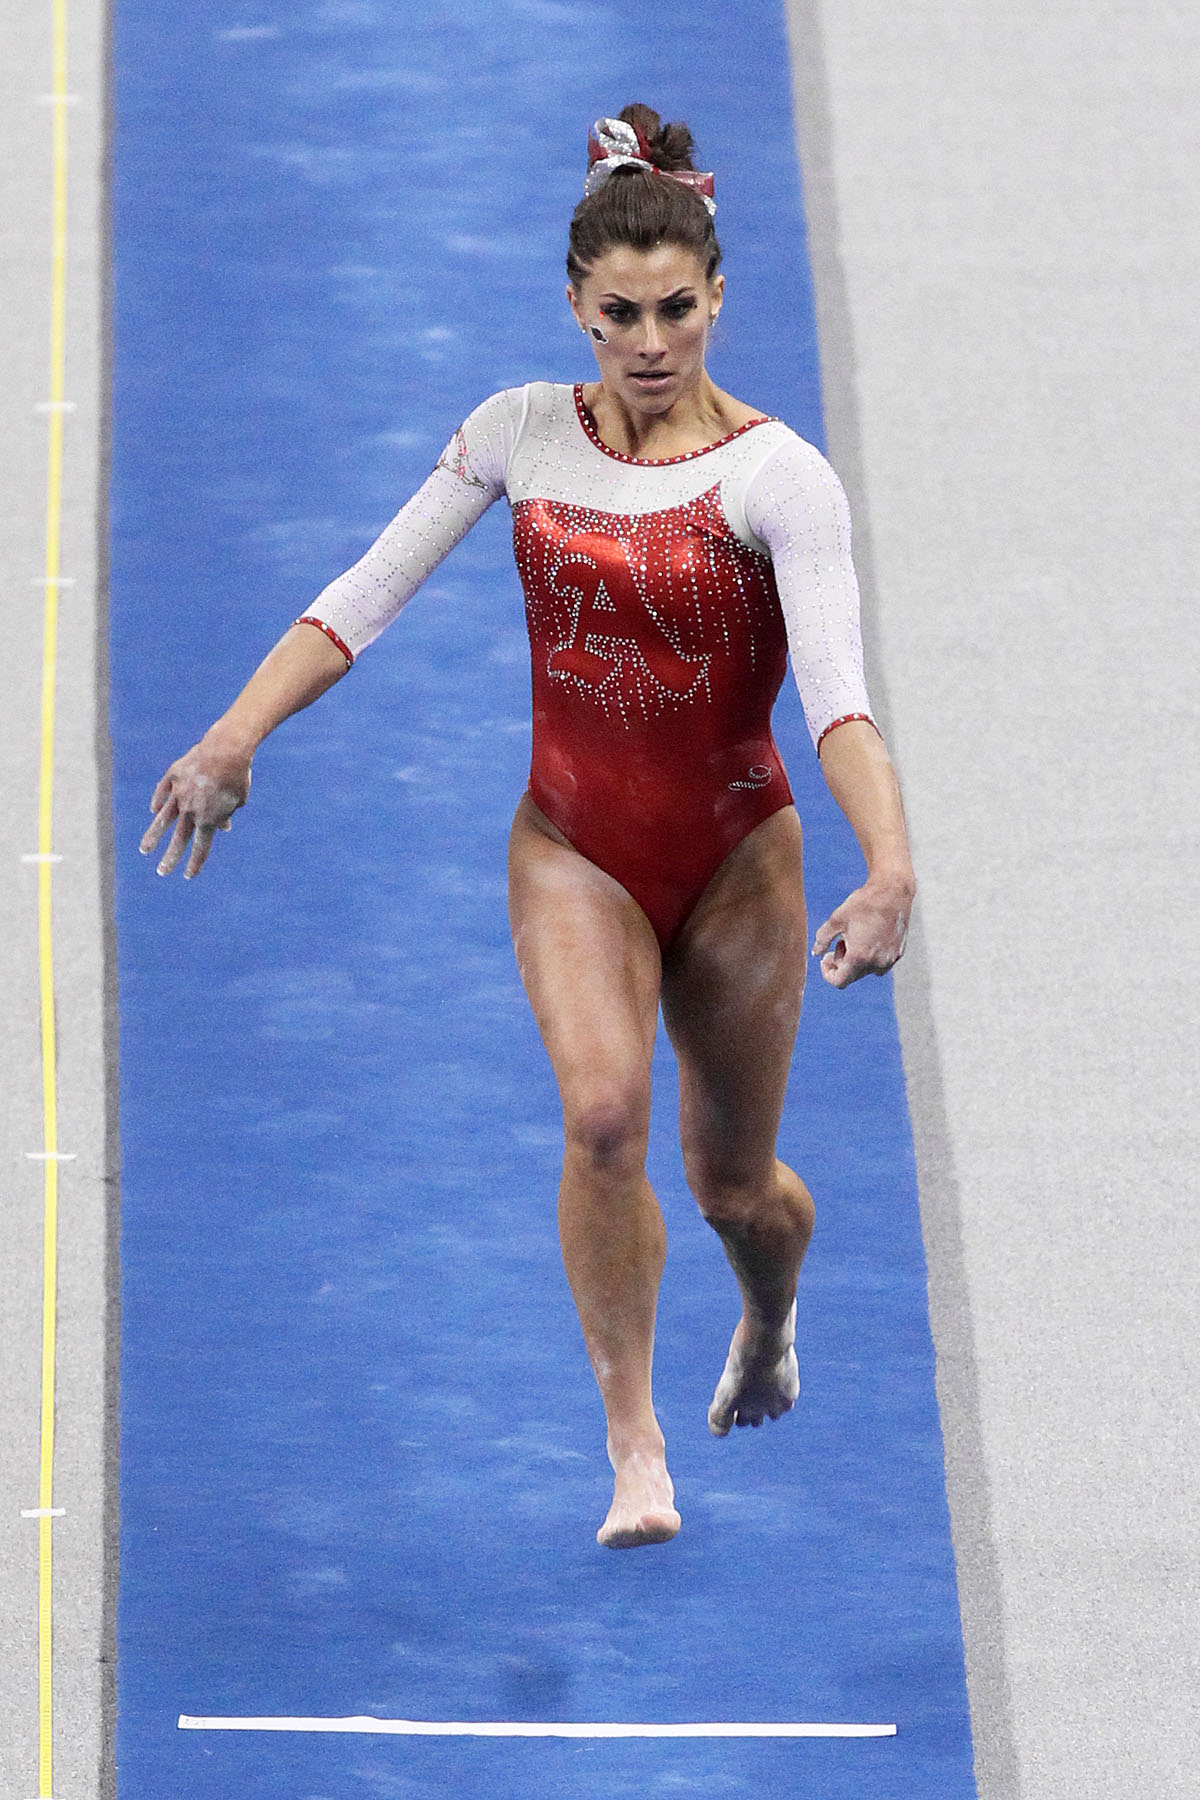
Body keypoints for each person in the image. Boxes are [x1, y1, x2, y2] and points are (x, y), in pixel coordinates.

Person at [141, 105, 916, 1549]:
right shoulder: (519, 433)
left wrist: (890, 866)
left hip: (738, 859)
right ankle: (634, 1443)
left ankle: (769, 1315)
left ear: (718, 296)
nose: (649, 342)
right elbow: (362, 596)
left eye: (675, 310)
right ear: (576, 307)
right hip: (575, 848)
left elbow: (840, 701)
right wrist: (235, 735)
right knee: (603, 1117)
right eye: (619, 314)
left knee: (736, 1187)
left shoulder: (779, 480)